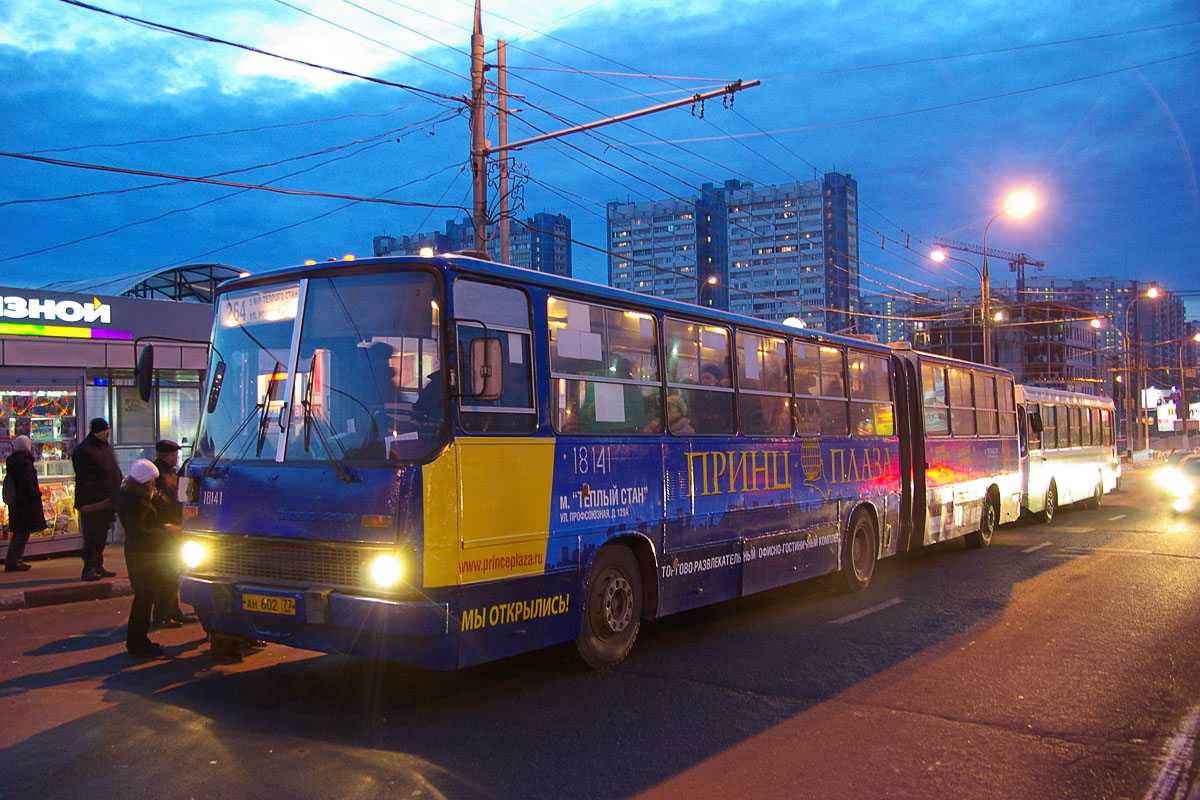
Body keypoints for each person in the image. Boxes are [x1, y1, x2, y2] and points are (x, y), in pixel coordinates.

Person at [118, 458, 168, 658]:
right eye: (152, 481)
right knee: (143, 599)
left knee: (144, 598)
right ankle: (137, 643)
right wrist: (165, 533)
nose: (154, 485)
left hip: (140, 554)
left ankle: (139, 640)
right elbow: (140, 531)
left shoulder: (132, 495)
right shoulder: (136, 502)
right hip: (142, 556)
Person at [151, 439, 195, 628]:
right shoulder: (158, 474)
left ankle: (173, 611)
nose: (177, 456)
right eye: (175, 454)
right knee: (165, 575)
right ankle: (162, 614)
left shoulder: (171, 473)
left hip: (174, 528)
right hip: (165, 530)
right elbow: (163, 502)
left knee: (173, 573)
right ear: (168, 455)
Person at [72, 418, 122, 582]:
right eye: (105, 430)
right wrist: (100, 498)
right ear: (97, 431)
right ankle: (89, 568)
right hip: (94, 502)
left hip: (106, 501)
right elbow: (87, 480)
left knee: (101, 535)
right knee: (92, 536)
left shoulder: (104, 447)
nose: (108, 433)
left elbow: (111, 470)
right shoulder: (85, 450)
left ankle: (98, 565)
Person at [4, 436, 46, 572]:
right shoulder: (25, 463)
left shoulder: (14, 461)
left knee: (19, 532)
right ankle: (14, 561)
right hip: (25, 504)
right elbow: (27, 484)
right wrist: (37, 494)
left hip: (18, 503)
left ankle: (15, 560)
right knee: (22, 533)